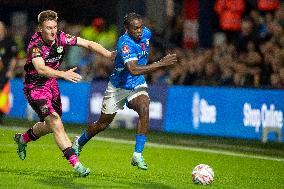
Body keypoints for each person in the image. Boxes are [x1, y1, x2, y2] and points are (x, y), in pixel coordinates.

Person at [14, 10, 115, 177]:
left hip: (51, 85)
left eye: (55, 27)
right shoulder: (35, 46)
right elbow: (40, 68)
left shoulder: (61, 37)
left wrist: (108, 54)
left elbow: (88, 44)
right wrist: (63, 74)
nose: (53, 31)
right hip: (35, 88)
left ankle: (23, 138)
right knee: (55, 121)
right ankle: (76, 165)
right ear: (40, 29)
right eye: (48, 28)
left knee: (50, 125)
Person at [72, 12, 177, 170]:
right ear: (126, 29)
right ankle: (79, 142)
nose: (139, 31)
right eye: (135, 28)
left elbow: (154, 36)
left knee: (144, 107)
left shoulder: (146, 33)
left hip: (137, 85)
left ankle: (137, 155)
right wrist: (161, 63)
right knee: (102, 124)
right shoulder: (125, 42)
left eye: (140, 27)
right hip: (118, 87)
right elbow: (133, 69)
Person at [0, 21, 18, 125]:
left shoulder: (9, 42)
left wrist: (11, 70)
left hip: (4, 73)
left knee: (2, 94)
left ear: (3, 30)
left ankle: (0, 117)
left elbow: (14, 58)